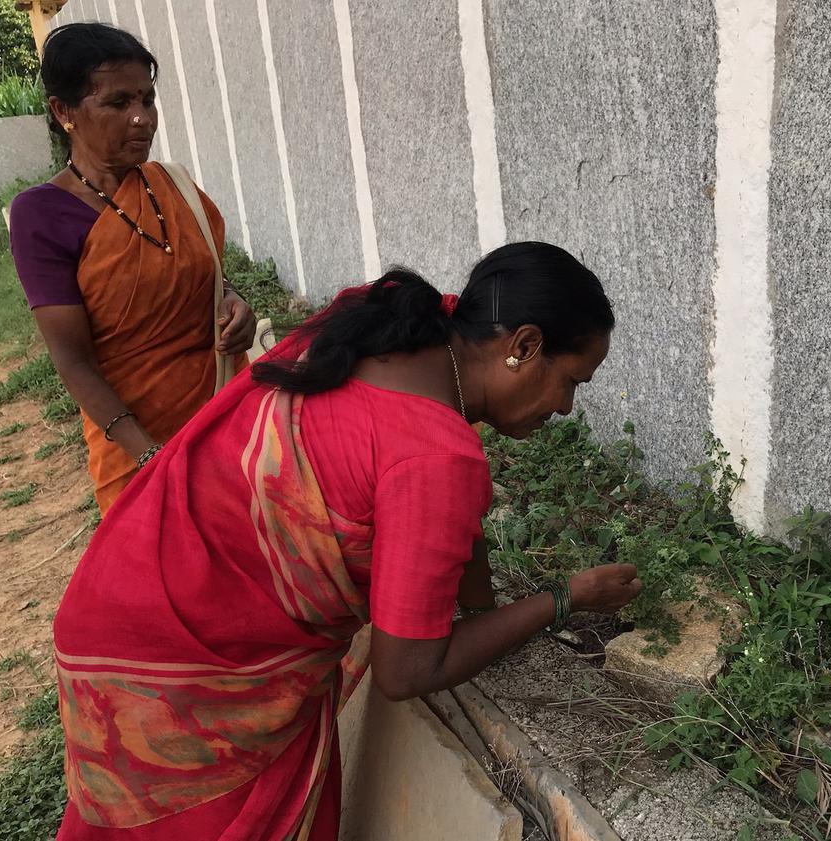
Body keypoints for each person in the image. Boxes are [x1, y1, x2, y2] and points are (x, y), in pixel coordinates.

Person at [51, 242, 644, 840]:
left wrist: (484, 608)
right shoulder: (434, 459)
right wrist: (564, 599)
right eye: (571, 382)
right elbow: (409, 669)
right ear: (523, 346)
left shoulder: (394, 320)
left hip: (131, 581)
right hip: (187, 674)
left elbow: (445, 522)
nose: (567, 408)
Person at [8, 23, 255, 515]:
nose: (142, 119)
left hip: (225, 410)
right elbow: (73, 360)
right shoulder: (42, 215)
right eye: (118, 103)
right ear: (64, 112)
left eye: (147, 99)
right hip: (134, 442)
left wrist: (232, 300)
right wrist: (147, 454)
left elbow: (205, 273)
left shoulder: (172, 187)